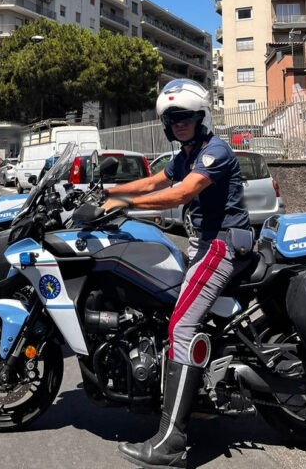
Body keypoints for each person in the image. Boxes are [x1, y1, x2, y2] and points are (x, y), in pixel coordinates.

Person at [102, 79, 250, 469]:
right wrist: (105, 194)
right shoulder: (186, 154)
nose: (179, 122)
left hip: (221, 247)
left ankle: (172, 441)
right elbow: (154, 181)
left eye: (185, 116)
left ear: (201, 116)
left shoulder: (214, 151)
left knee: (181, 328)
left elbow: (183, 193)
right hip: (203, 246)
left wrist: (124, 203)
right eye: (173, 118)